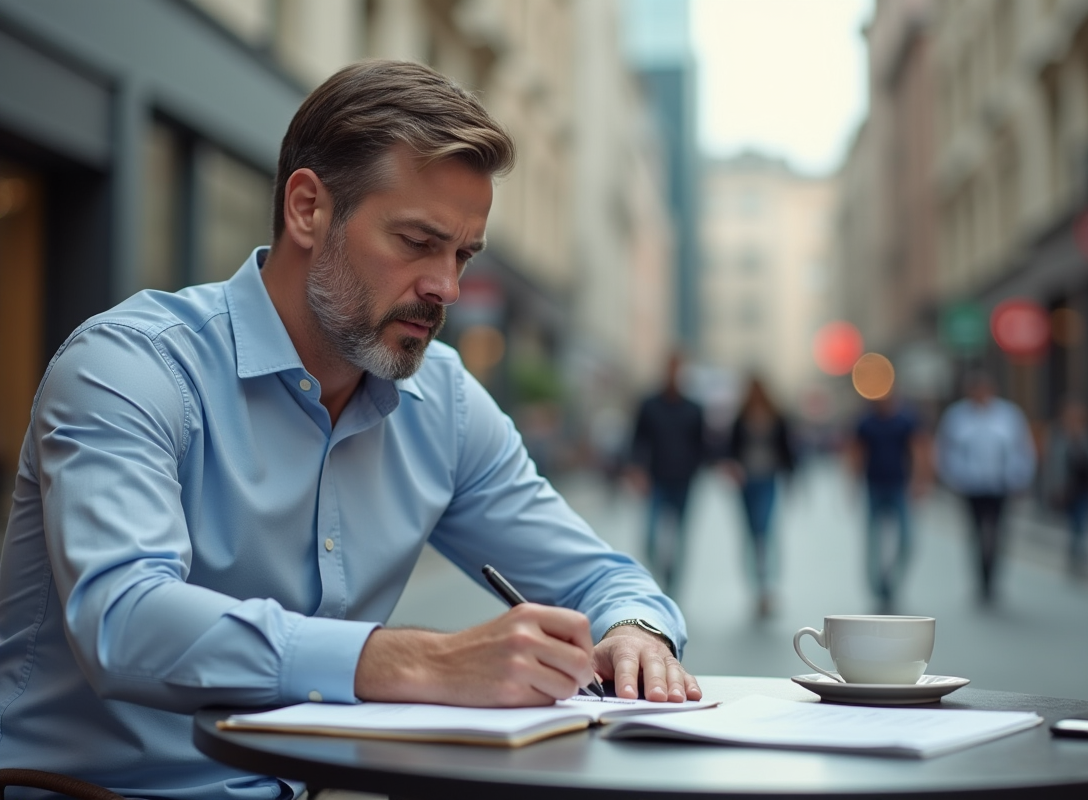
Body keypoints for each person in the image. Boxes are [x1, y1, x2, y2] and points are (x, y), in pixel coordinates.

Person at [0, 60, 700, 800]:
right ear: (308, 209)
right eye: (417, 241)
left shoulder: (447, 402)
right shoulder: (128, 364)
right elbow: (124, 621)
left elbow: (604, 580)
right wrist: (418, 663)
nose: (447, 288)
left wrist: (635, 635)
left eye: (462, 255)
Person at [934, 370, 1036, 605]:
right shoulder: (957, 416)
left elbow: (1022, 448)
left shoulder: (1009, 415)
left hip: (1001, 485)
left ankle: (993, 580)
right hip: (971, 487)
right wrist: (954, 478)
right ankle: (980, 581)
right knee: (976, 534)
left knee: (998, 534)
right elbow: (945, 450)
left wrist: (1021, 478)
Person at [628, 352, 708, 596]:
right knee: (651, 537)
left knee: (680, 538)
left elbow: (702, 445)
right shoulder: (649, 405)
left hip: (684, 481)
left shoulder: (694, 408)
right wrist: (636, 470)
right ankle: (659, 573)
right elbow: (637, 440)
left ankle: (672, 584)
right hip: (656, 479)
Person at [849, 391, 929, 614]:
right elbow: (856, 452)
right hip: (874, 487)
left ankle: (892, 582)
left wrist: (920, 480)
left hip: (899, 487)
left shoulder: (906, 420)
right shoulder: (865, 422)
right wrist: (852, 484)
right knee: (873, 541)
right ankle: (878, 587)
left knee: (906, 539)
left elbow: (918, 450)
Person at [723, 375, 796, 619]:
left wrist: (792, 477)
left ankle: (767, 587)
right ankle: (756, 586)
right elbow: (730, 448)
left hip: (767, 479)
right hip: (746, 482)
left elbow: (787, 449)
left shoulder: (776, 417)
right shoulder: (740, 418)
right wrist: (733, 468)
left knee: (764, 530)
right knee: (751, 533)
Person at [1043, 398, 1088, 577]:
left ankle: (1080, 555)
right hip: (1068, 489)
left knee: (1083, 522)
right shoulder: (1058, 432)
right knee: (1073, 523)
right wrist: (1054, 487)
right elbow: (1053, 463)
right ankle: (1075, 553)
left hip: (1087, 487)